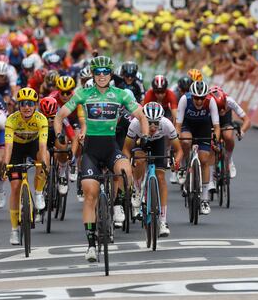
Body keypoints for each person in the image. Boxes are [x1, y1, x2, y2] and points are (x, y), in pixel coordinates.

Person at [54, 56, 148, 262]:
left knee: (125, 173)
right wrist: (60, 134)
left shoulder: (121, 94)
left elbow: (142, 116)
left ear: (111, 74)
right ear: (93, 75)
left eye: (106, 72)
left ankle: (117, 203)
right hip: (91, 151)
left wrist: (146, 136)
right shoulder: (83, 94)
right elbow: (60, 115)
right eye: (98, 72)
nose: (102, 76)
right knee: (90, 194)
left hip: (111, 147)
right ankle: (90, 245)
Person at [122, 102, 183, 236]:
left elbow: (179, 150)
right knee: (139, 160)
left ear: (161, 119)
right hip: (140, 141)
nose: (153, 127)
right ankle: (137, 190)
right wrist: (127, 162)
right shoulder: (135, 124)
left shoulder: (167, 124)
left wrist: (176, 162)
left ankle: (163, 221)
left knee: (161, 178)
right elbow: (126, 149)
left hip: (158, 143)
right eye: (149, 123)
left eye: (156, 123)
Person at [4, 88, 49, 244]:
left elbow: (42, 146)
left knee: (45, 157)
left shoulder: (41, 119)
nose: (27, 107)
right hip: (16, 148)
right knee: (15, 187)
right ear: (19, 105)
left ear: (35, 105)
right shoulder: (11, 120)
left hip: (33, 145)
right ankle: (14, 230)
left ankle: (38, 193)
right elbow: (8, 147)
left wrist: (43, 163)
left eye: (30, 104)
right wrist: (5, 165)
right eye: (23, 104)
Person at [175, 81, 220, 215]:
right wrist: (176, 139)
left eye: (202, 98)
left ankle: (205, 199)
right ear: (192, 96)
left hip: (203, 127)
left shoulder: (211, 101)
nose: (199, 101)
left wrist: (215, 140)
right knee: (186, 141)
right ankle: (183, 168)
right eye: (196, 98)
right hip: (187, 126)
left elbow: (216, 127)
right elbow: (178, 124)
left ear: (205, 97)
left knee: (204, 159)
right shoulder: (184, 99)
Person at [209, 86, 251, 182]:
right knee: (212, 140)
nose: (222, 111)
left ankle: (229, 160)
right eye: (219, 109)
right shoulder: (207, 103)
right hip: (211, 119)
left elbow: (247, 120)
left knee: (228, 136)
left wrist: (242, 131)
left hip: (225, 121)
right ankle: (211, 172)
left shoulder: (230, 101)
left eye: (223, 108)